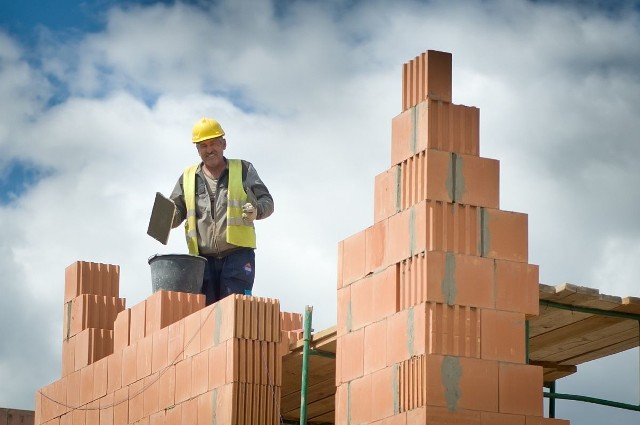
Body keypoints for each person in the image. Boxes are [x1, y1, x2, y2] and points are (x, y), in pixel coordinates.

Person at [170, 117, 274, 305]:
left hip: (238, 256)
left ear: (223, 144)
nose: (209, 150)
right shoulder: (188, 177)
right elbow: (175, 212)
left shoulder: (243, 169)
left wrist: (256, 212)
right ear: (197, 149)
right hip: (202, 261)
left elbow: (267, 201)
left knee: (234, 311)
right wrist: (165, 217)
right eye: (203, 146)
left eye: (213, 143)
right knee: (206, 315)